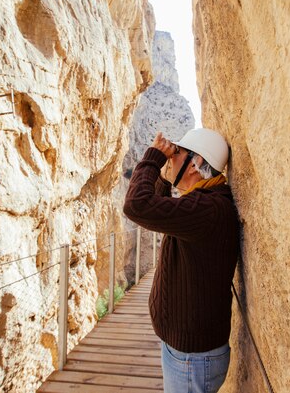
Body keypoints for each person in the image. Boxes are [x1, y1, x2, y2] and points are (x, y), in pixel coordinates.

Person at [123, 128, 241, 393]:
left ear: (195, 164)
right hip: (189, 354)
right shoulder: (205, 202)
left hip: (192, 359)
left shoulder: (207, 209)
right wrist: (164, 178)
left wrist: (153, 158)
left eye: (176, 154)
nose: (169, 159)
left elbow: (136, 205)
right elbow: (162, 212)